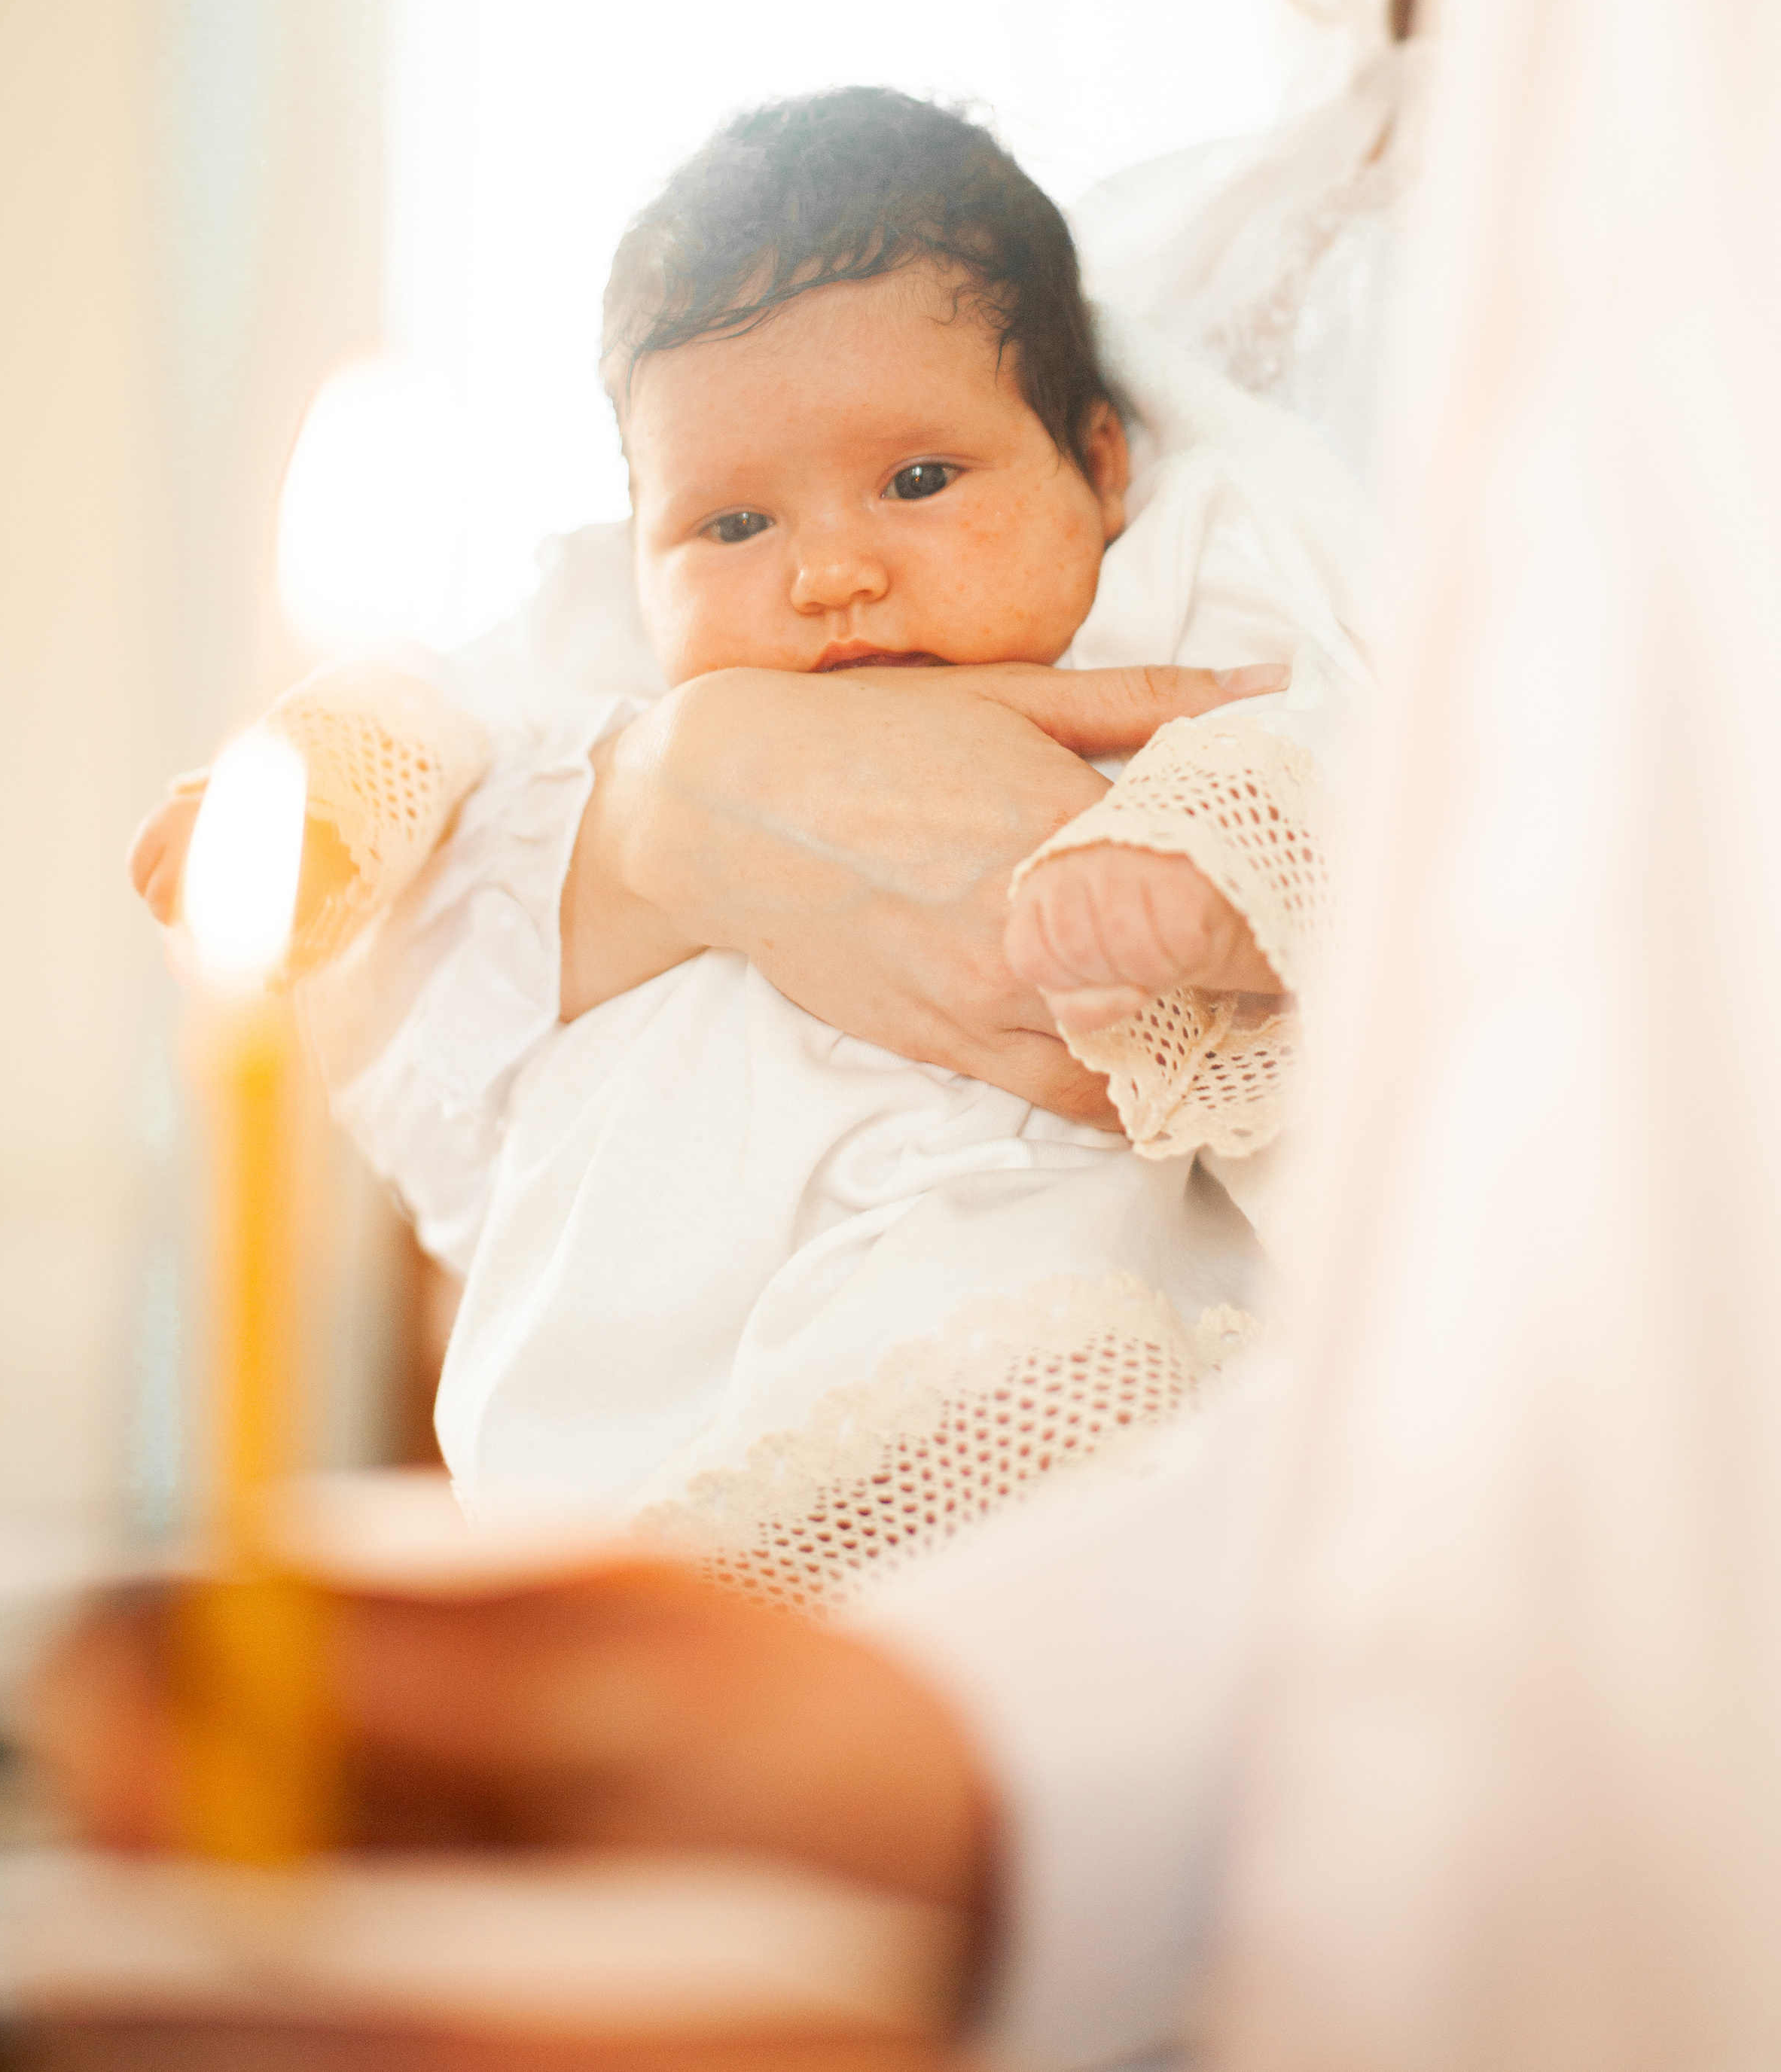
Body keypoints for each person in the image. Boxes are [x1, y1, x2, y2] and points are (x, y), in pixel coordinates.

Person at [136, 87, 1377, 1604]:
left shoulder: (1177, 570)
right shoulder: (602, 630)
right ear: (636, 528)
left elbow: (1311, 732)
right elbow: (431, 698)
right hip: (652, 1325)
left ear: (1100, 465)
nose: (828, 573)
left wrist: (1195, 866)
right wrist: (314, 803)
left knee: (1060, 1418)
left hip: (1008, 1291)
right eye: (730, 527)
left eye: (917, 481)